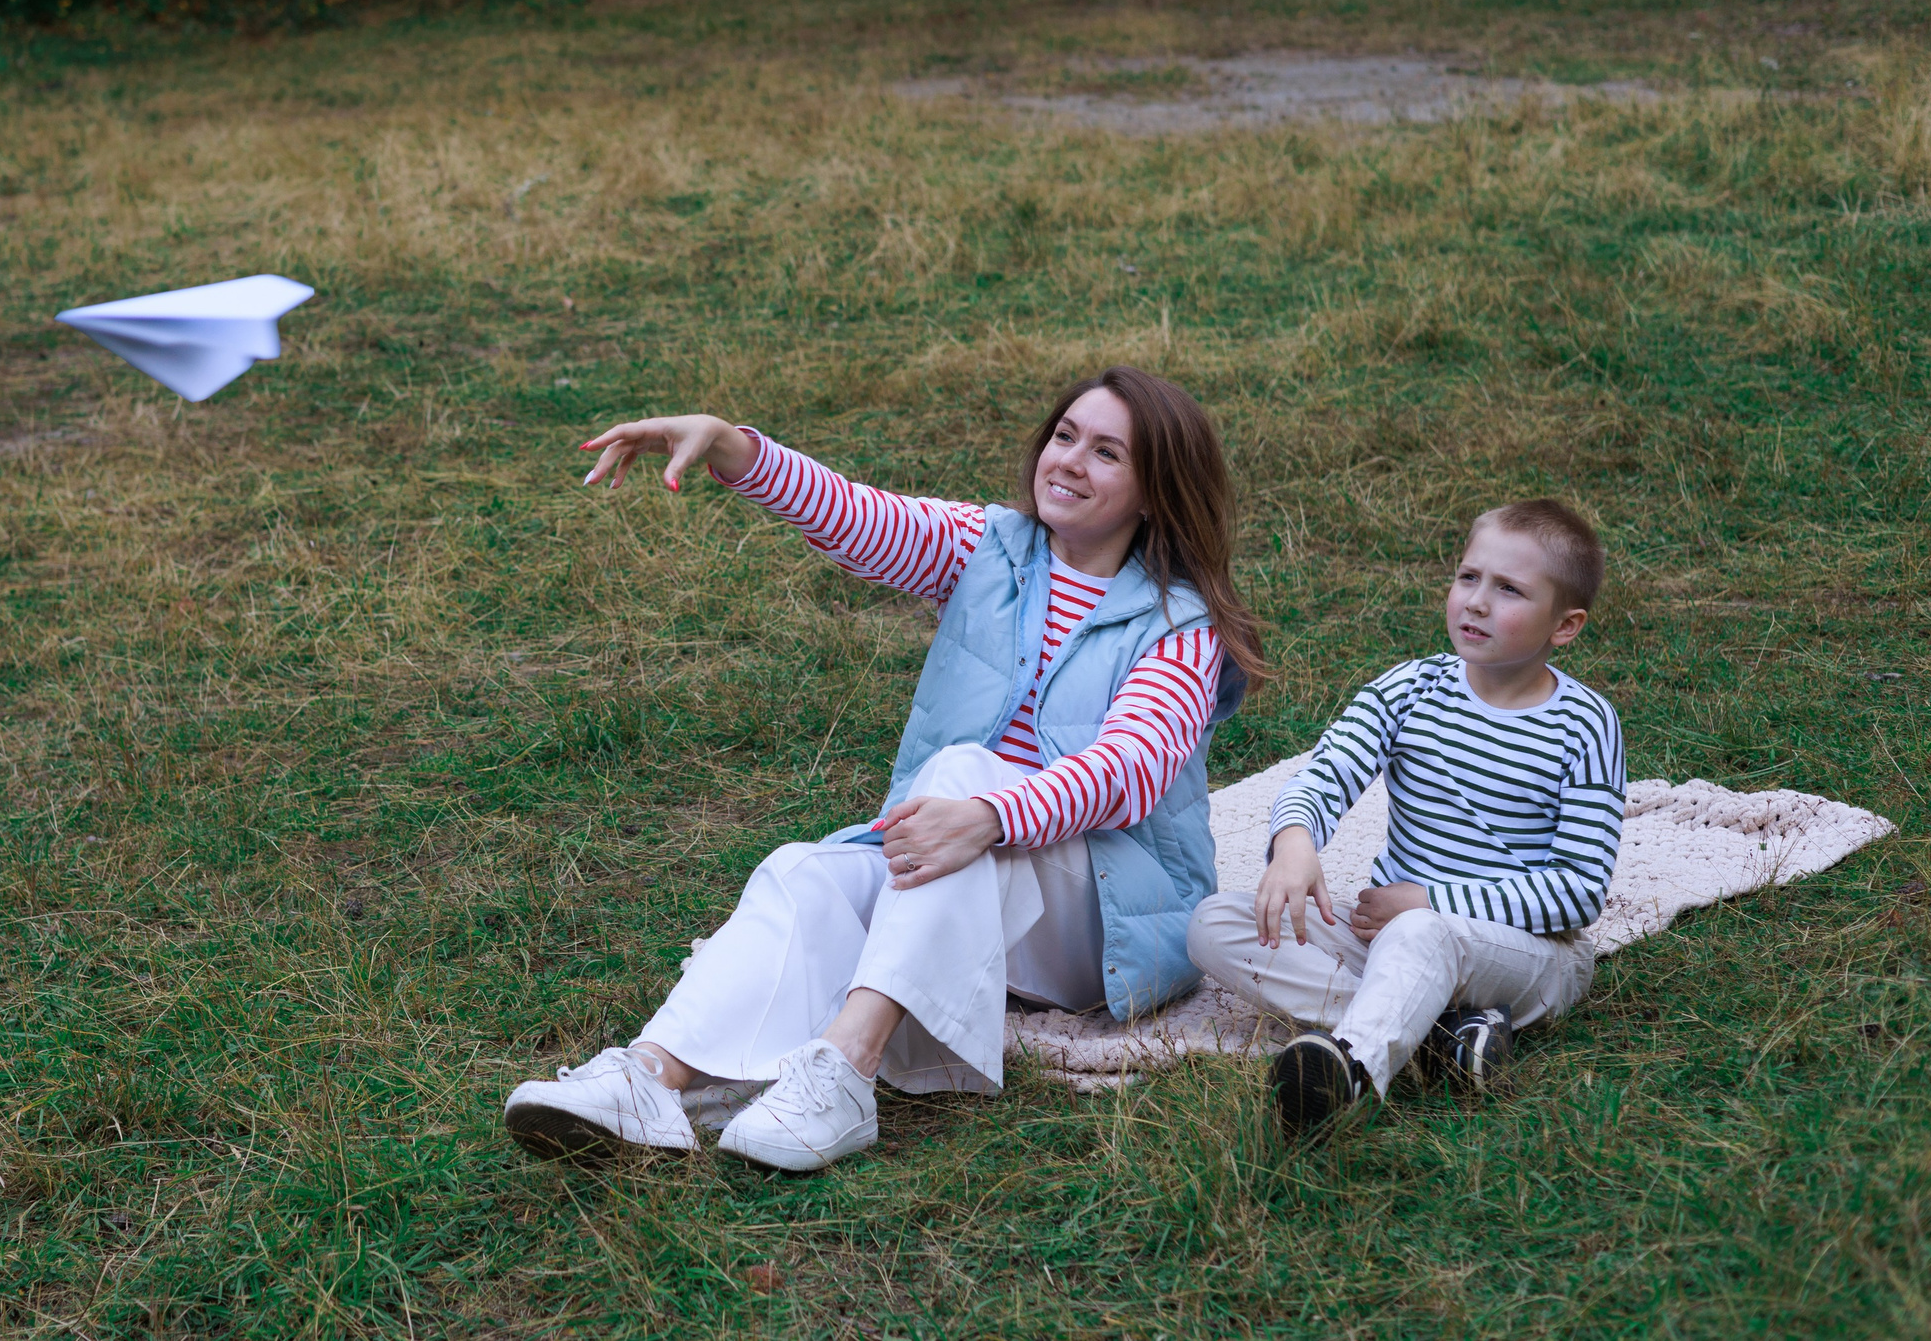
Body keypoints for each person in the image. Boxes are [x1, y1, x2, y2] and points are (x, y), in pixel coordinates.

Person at [500, 367, 1269, 1171]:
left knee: (962, 777)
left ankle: (844, 1069)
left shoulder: (1181, 622)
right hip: (964, 867)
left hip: (1105, 917)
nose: (1069, 459)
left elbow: (1131, 768)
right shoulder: (992, 549)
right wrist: (732, 445)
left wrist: (987, 815)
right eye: (1065, 435)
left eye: (1107, 452)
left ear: (1155, 492)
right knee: (806, 873)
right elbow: (865, 518)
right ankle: (649, 1080)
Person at [1185, 499, 1624, 1138]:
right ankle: (1444, 1037)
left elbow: (1579, 890)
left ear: (1565, 624)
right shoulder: (1411, 688)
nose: (1475, 601)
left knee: (1422, 934)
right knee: (1215, 924)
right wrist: (1294, 843)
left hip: (1530, 959)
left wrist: (1428, 901)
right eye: (1468, 577)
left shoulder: (1584, 724)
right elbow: (1324, 773)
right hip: (1386, 939)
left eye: (1508, 590)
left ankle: (1352, 1073)